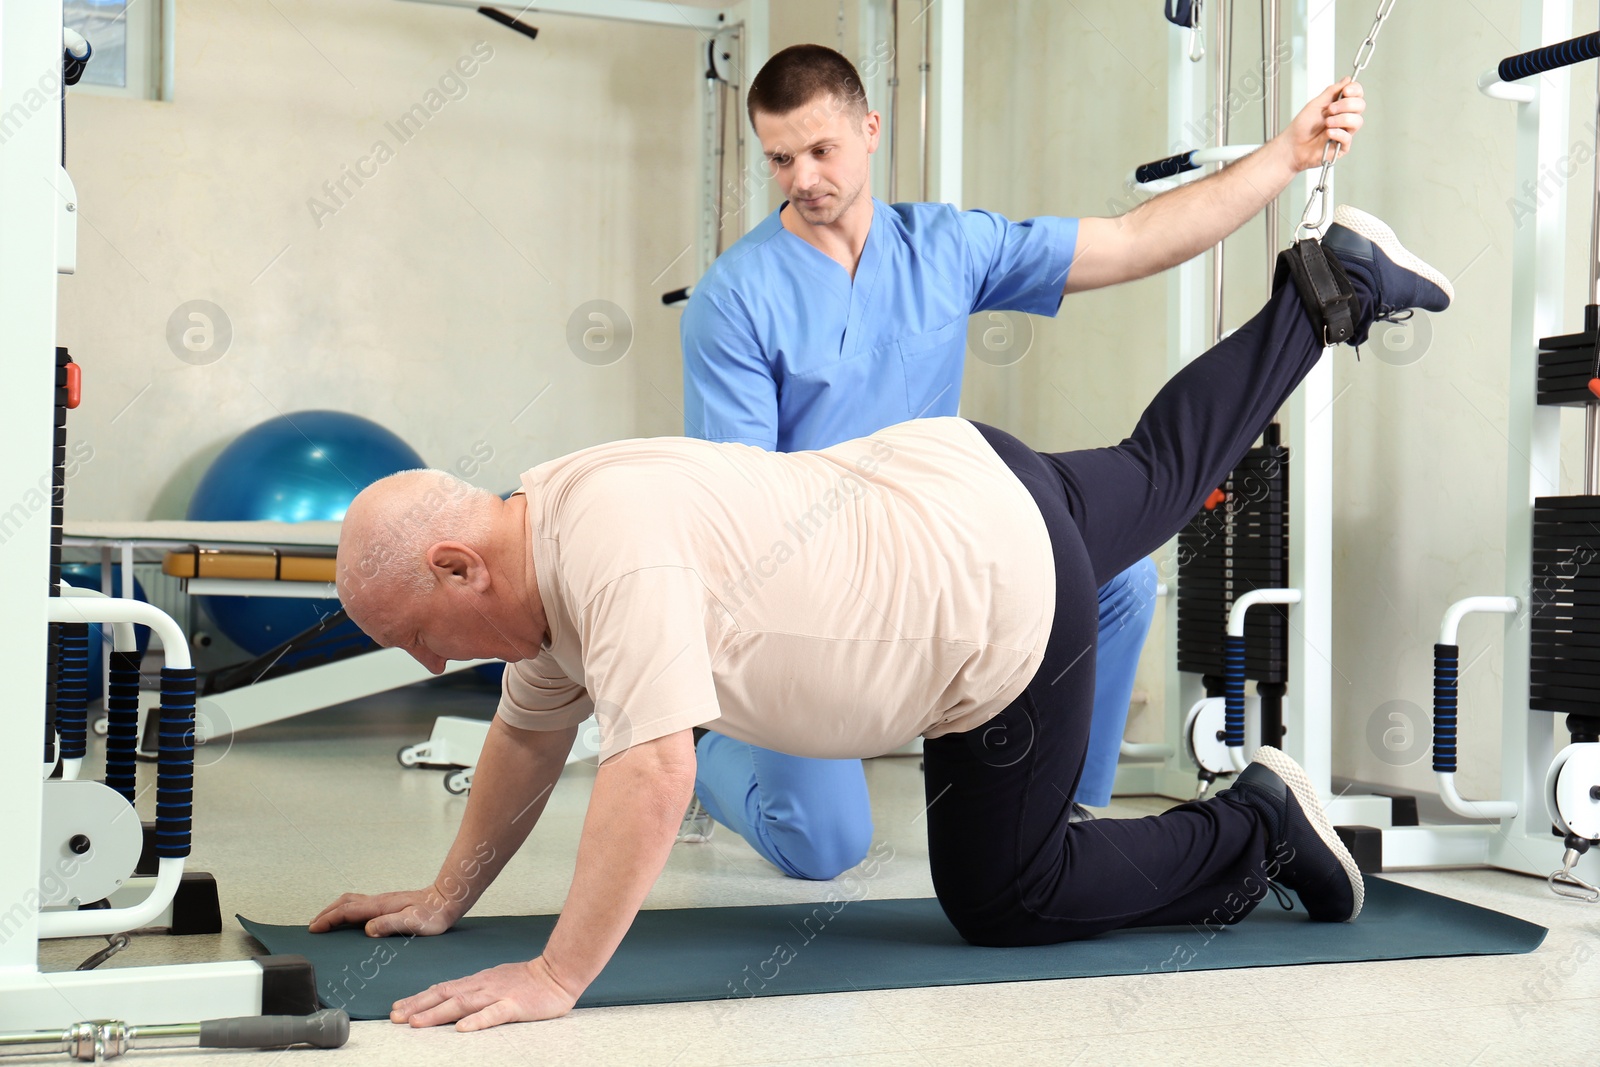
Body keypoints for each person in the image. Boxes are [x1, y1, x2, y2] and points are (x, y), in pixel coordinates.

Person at [314, 206, 1451, 1032]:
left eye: (418, 633)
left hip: (992, 597)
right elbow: (524, 735)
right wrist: (445, 893)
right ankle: (1323, 295)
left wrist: (556, 974)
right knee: (1159, 475)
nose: (423, 660)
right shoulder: (547, 518)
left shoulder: (609, 544)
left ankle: (1255, 822)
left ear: (459, 563)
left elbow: (654, 770)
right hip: (955, 477)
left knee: (1009, 895)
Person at [679, 45, 1367, 876]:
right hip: (818, 592)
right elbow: (738, 504)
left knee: (1119, 582)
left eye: (820, 151)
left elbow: (1130, 241)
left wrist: (1288, 154)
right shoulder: (735, 297)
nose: (801, 178)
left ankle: (1065, 807)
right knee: (823, 848)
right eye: (780, 159)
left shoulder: (943, 245)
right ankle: (705, 753)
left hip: (935, 554)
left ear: (869, 131)